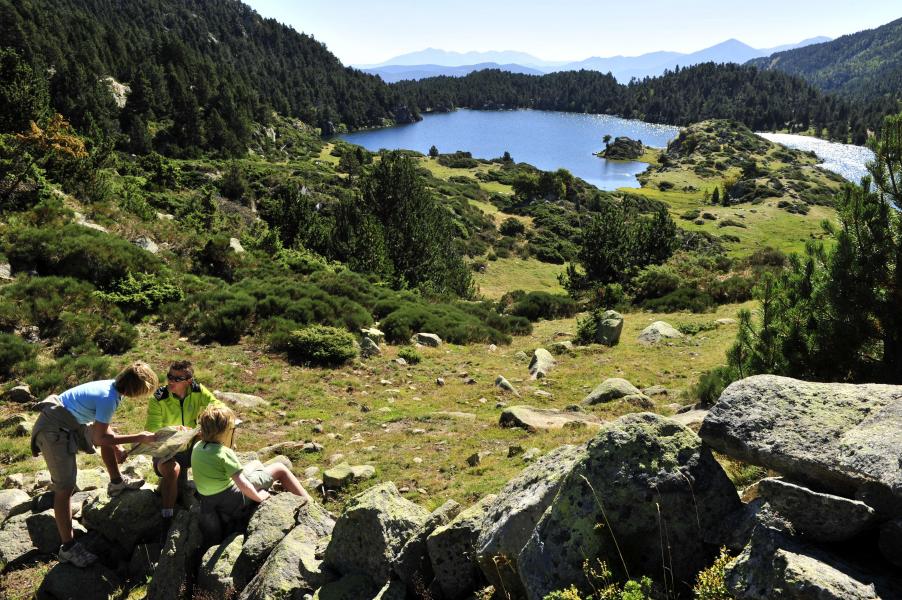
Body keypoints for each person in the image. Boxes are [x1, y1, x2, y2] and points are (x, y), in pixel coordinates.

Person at [30, 362, 158, 568]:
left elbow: (104, 432)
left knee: (110, 436)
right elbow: (99, 439)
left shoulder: (112, 388)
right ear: (136, 388)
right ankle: (68, 548)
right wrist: (140, 437)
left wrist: (115, 446)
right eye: (145, 391)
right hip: (54, 429)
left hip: (70, 420)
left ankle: (117, 482)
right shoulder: (108, 398)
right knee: (65, 486)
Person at [192, 404, 311, 537]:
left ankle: (264, 478)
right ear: (225, 432)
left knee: (255, 463)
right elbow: (242, 483)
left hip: (209, 501)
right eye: (232, 429)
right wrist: (258, 497)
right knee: (280, 468)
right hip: (235, 499)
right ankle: (309, 504)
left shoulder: (197, 447)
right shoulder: (223, 453)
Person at [145, 360, 221, 532]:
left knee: (217, 451)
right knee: (172, 471)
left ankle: (217, 499)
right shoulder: (159, 398)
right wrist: (174, 431)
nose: (171, 381)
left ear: (189, 380)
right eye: (169, 376)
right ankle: (167, 517)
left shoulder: (197, 390)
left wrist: (205, 423)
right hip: (166, 450)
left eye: (177, 378)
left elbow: (218, 406)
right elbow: (152, 431)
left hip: (191, 448)